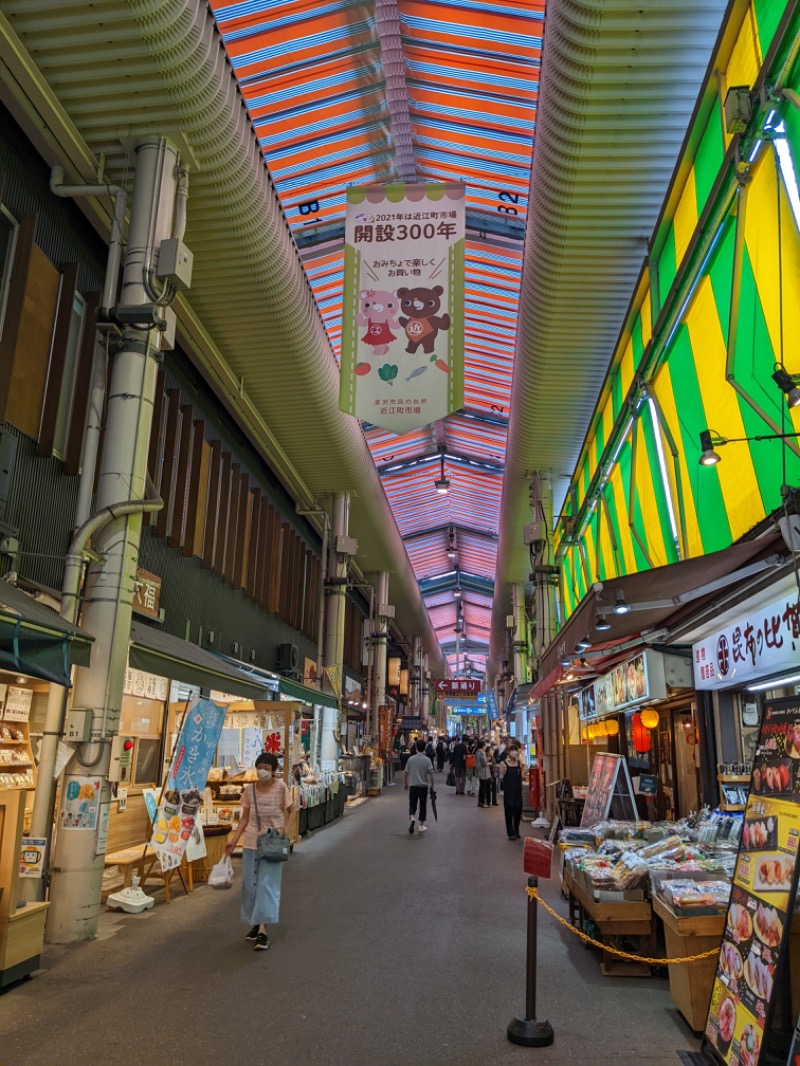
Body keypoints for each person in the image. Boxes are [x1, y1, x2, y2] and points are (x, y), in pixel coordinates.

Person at [225, 752, 294, 951]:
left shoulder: (281, 787)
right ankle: (255, 922)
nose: (262, 770)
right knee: (249, 885)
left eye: (267, 767)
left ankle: (263, 929)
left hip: (272, 841)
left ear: (274, 771)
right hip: (251, 842)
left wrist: (285, 829)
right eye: (260, 766)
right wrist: (234, 840)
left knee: (266, 884)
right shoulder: (249, 790)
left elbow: (292, 810)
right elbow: (245, 819)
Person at [404, 738, 434, 834]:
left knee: (412, 804)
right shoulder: (427, 760)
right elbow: (431, 774)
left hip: (413, 785)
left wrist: (406, 783)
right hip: (423, 786)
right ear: (424, 748)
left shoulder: (411, 759)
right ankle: (421, 825)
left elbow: (405, 772)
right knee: (422, 805)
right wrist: (432, 785)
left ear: (416, 747)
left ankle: (412, 817)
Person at [500, 744, 526, 841]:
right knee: (509, 811)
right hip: (508, 791)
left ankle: (516, 830)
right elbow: (501, 776)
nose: (514, 752)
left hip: (518, 790)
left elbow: (522, 775)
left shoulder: (519, 763)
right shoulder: (504, 763)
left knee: (518, 811)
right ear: (508, 752)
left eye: (515, 750)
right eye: (512, 750)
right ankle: (510, 832)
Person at [475, 740, 492, 808]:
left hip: (482, 772)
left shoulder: (478, 753)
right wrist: (489, 763)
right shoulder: (481, 753)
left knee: (482, 788)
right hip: (484, 773)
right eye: (485, 746)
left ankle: (481, 802)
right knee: (483, 788)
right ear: (483, 746)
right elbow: (484, 763)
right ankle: (482, 802)